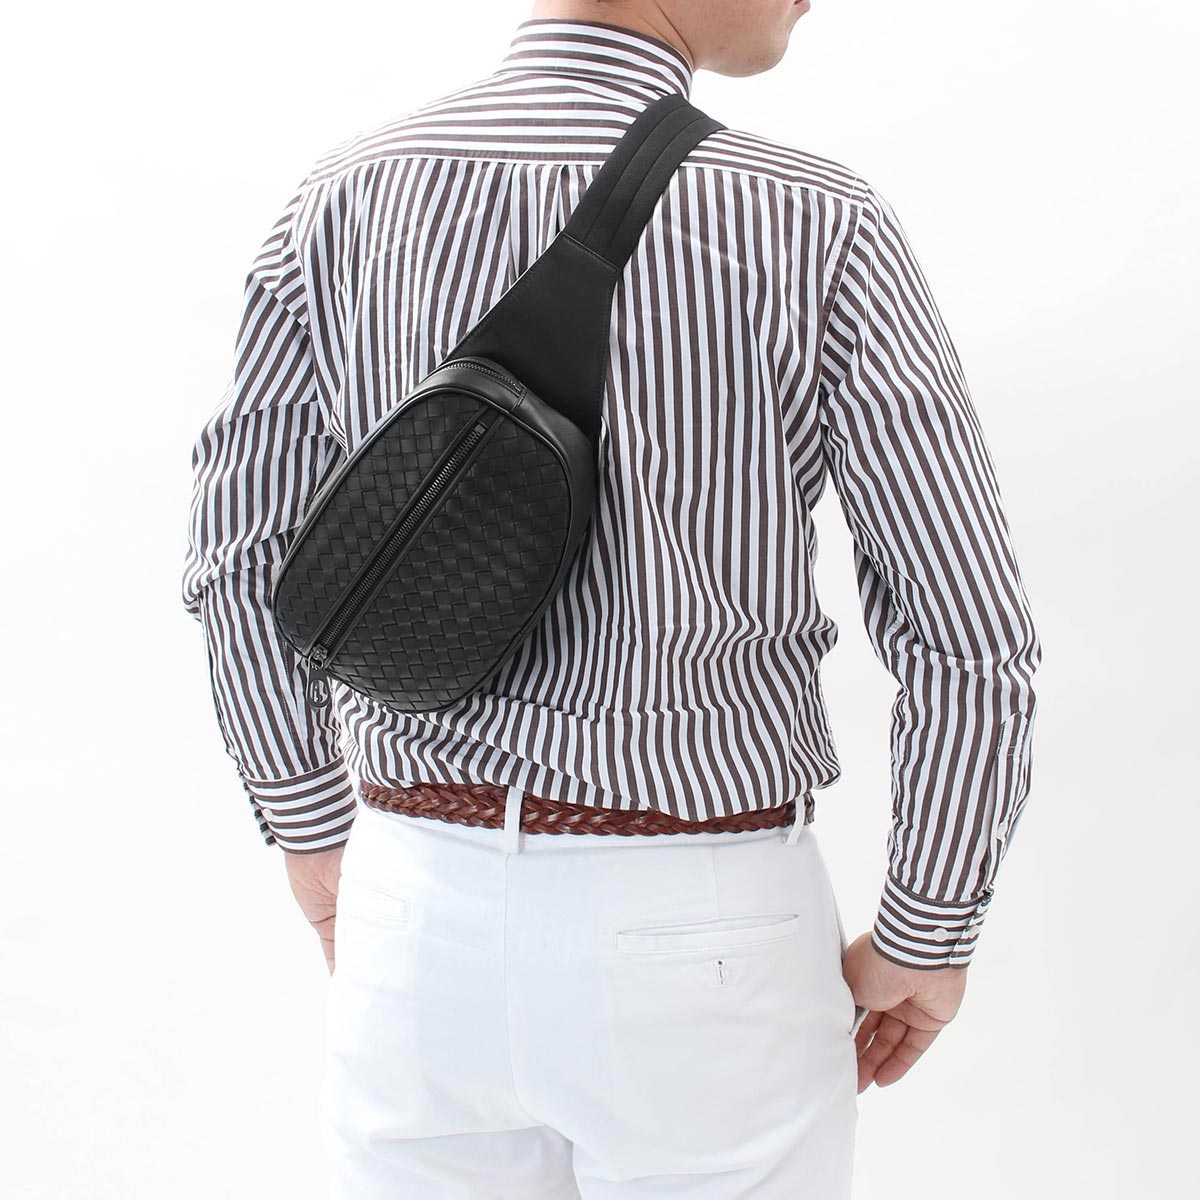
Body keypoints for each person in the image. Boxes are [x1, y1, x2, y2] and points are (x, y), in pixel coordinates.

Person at [180, 2, 1042, 1195]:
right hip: (706, 929)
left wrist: (313, 829)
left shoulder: (344, 196)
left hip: (414, 909)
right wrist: (926, 928)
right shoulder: (816, 220)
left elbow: (240, 557)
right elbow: (969, 635)